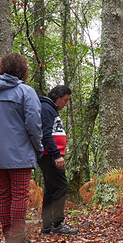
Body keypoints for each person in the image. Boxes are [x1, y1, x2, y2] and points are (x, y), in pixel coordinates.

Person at [0, 53, 43, 243]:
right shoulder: (25, 91)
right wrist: (38, 147)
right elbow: (34, 124)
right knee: (20, 195)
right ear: (23, 70)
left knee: (5, 195)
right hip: (20, 152)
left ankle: (9, 237)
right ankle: (18, 238)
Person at [38, 85, 77, 235]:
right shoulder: (47, 109)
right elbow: (45, 134)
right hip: (49, 155)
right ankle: (58, 223)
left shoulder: (50, 109)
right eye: (65, 100)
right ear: (57, 97)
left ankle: (48, 225)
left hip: (50, 154)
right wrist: (56, 154)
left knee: (51, 188)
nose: (66, 104)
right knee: (61, 186)